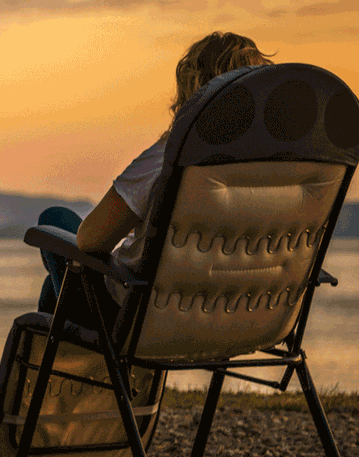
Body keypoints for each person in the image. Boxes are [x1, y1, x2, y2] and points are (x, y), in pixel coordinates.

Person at [35, 31, 275, 317]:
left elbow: (90, 240)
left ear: (194, 92)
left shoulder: (170, 157)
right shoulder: (279, 173)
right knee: (54, 290)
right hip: (236, 316)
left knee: (54, 221)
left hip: (142, 319)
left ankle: (77, 360)